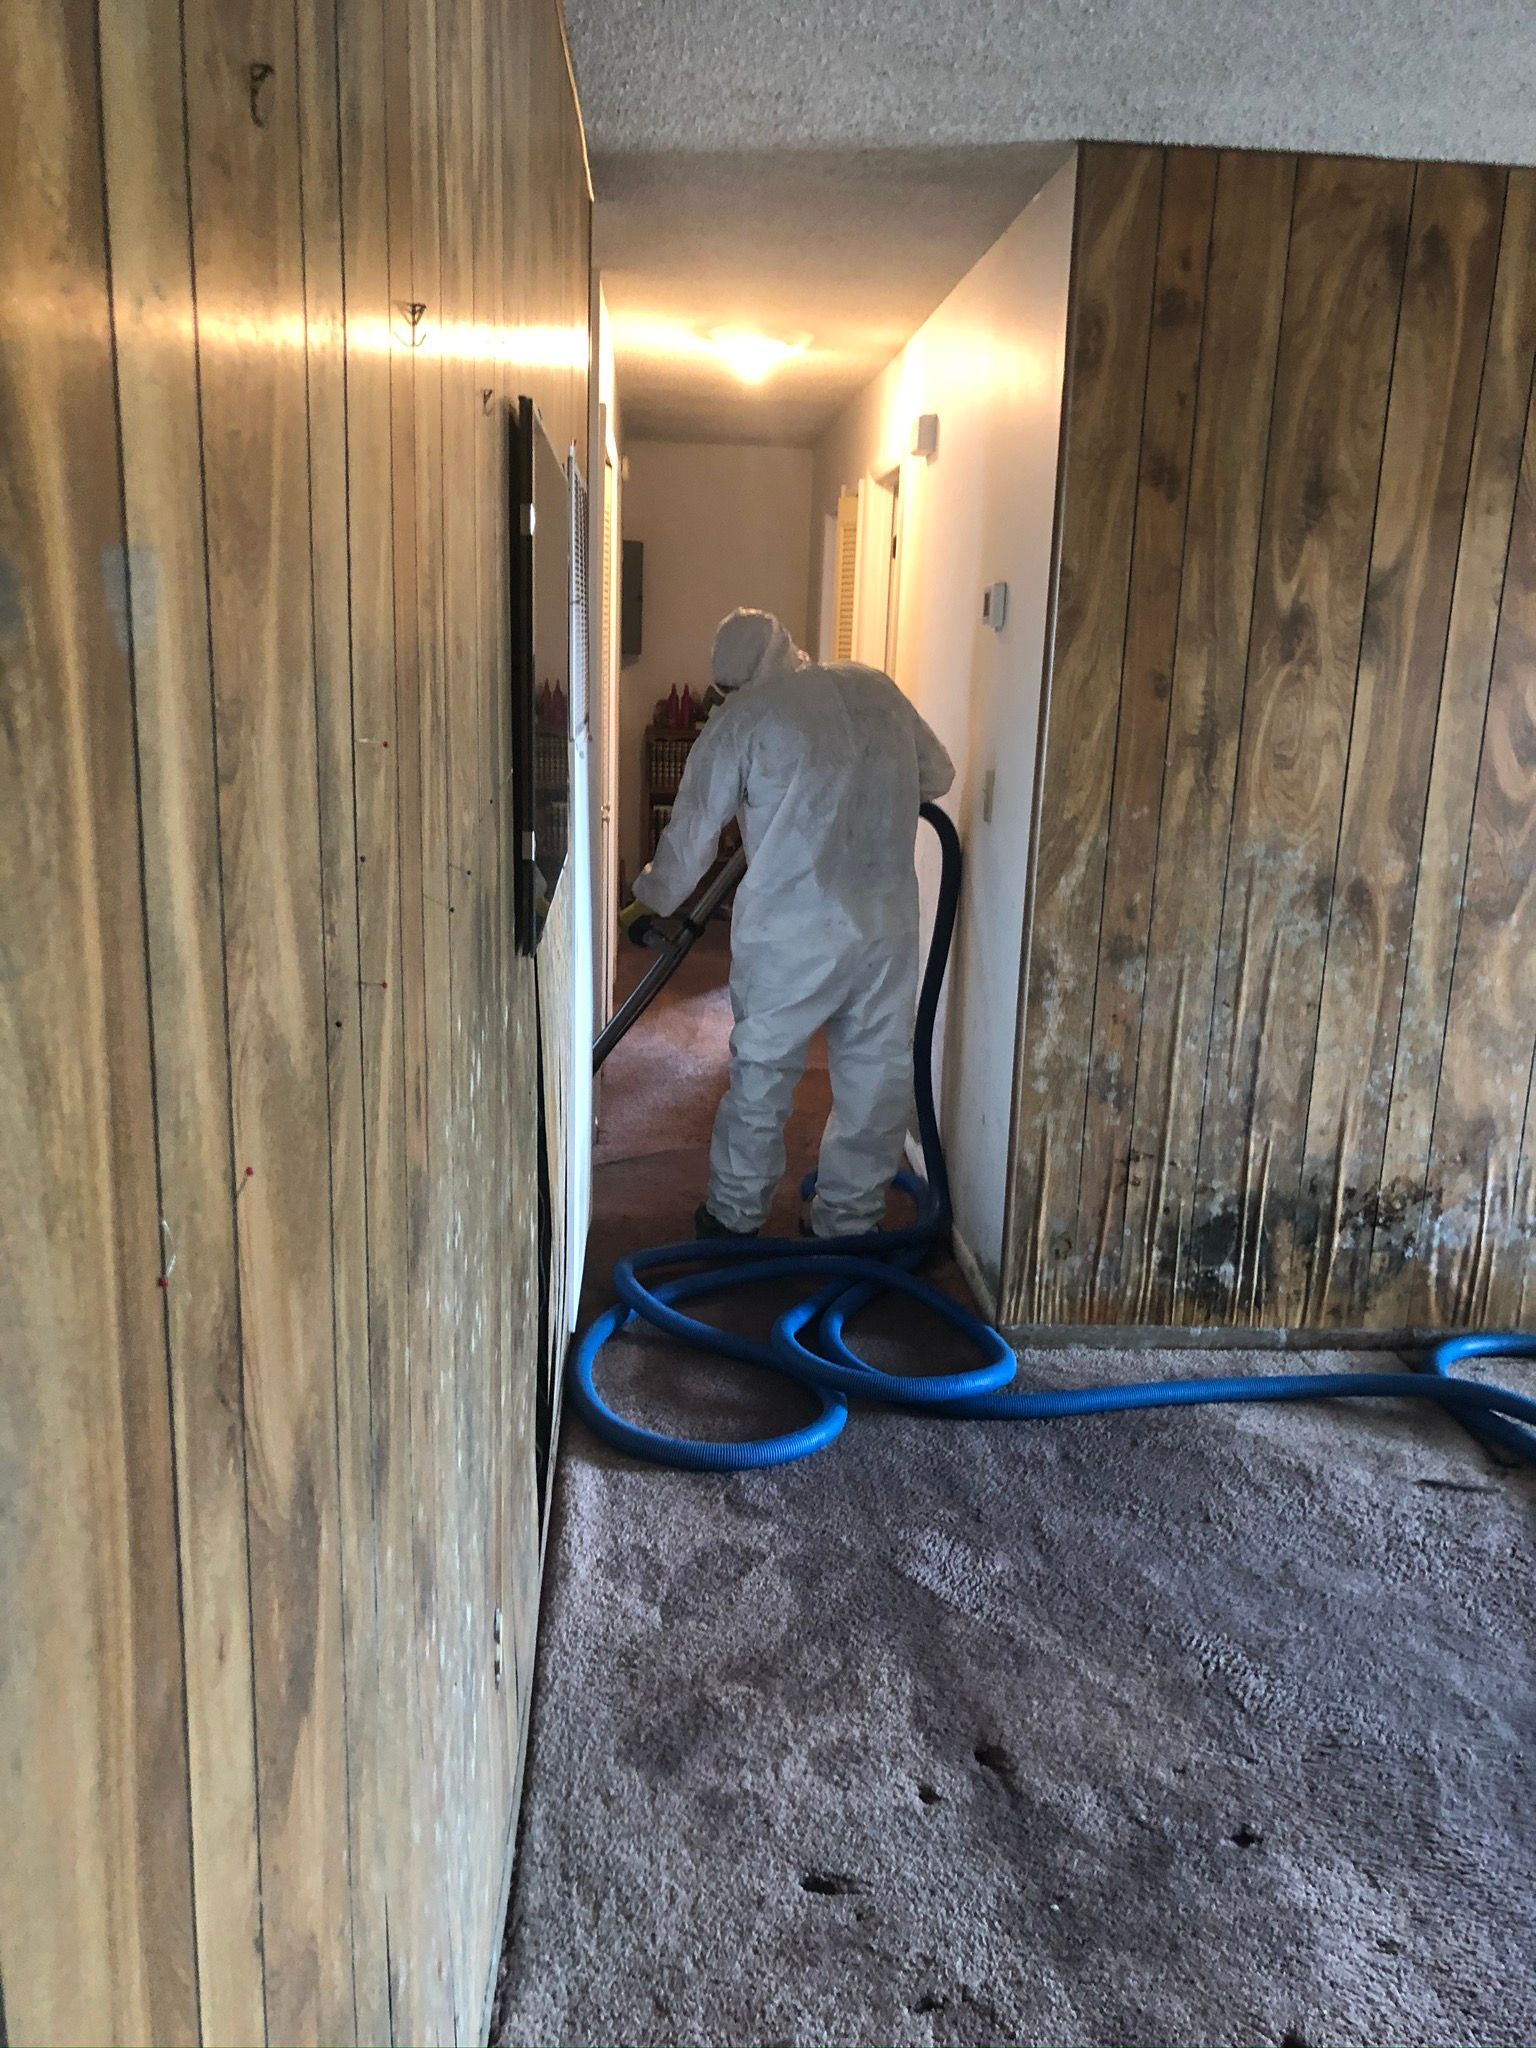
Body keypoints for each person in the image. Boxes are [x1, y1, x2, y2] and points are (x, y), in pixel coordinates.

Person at [623, 607, 954, 1240]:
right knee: (874, 1075)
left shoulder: (743, 721)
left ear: (732, 681)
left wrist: (650, 900)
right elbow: (936, 776)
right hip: (884, 927)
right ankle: (849, 1224)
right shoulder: (874, 687)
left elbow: (688, 841)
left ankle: (735, 1216)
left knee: (764, 1073)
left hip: (790, 933)